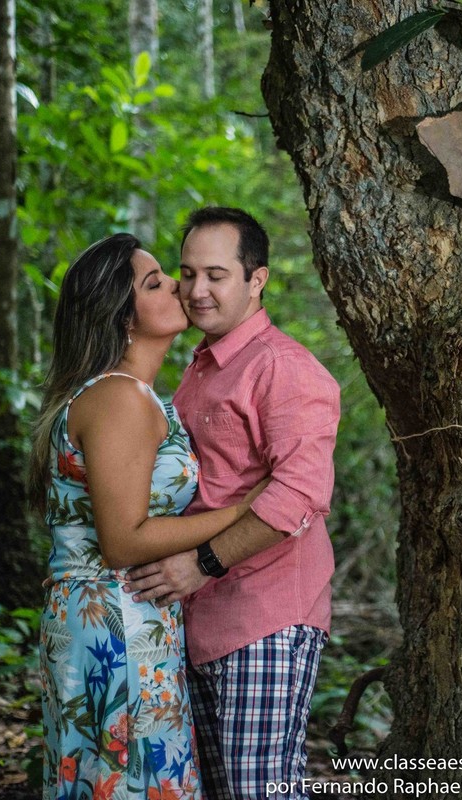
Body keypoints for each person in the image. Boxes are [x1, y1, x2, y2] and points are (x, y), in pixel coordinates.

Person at [29, 233, 263, 800]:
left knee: (114, 777)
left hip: (121, 616)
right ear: (122, 317)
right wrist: (245, 510)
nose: (181, 287)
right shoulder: (119, 399)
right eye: (156, 282)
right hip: (116, 619)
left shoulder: (136, 395)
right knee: (129, 781)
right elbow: (125, 540)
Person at [123, 207, 341, 800]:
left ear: (257, 279)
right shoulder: (201, 367)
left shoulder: (284, 368)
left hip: (265, 613)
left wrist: (201, 565)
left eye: (216, 275)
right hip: (199, 618)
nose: (196, 290)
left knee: (260, 790)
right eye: (188, 273)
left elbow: (299, 496)